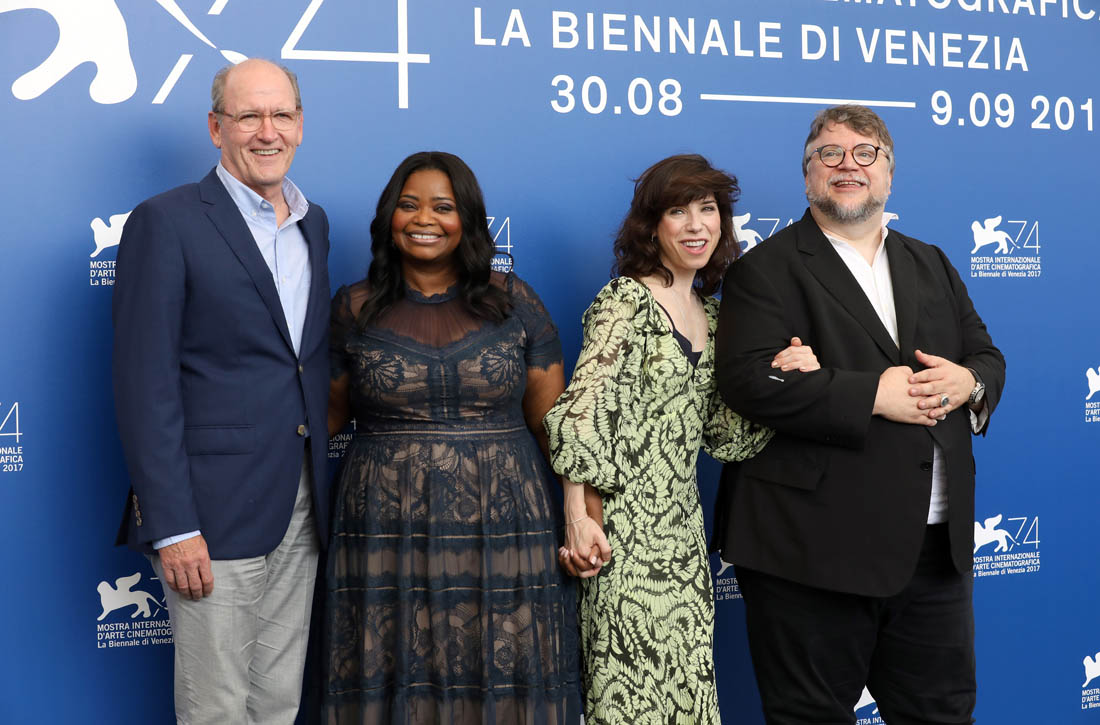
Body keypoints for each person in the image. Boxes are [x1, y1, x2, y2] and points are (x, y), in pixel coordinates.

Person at [714, 105, 1006, 724]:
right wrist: (873, 394)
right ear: (807, 177)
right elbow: (745, 383)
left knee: (942, 716)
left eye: (865, 152)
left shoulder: (932, 262)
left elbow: (985, 354)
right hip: (812, 551)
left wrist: (969, 381)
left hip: (934, 552)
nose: (848, 164)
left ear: (889, 175)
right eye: (830, 153)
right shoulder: (761, 270)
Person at [543, 154, 819, 724]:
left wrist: (781, 377)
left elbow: (725, 436)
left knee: (687, 702)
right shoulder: (626, 304)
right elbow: (581, 414)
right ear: (652, 227)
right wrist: (578, 516)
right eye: (677, 211)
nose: (696, 225)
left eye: (707, 209)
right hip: (621, 542)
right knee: (626, 704)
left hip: (685, 545)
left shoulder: (715, 318)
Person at [323, 151, 580, 723]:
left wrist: (581, 517)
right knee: (393, 675)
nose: (424, 219)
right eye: (409, 205)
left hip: (508, 523)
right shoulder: (352, 307)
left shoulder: (515, 301)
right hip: (383, 529)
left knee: (507, 675)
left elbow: (555, 428)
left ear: (468, 220)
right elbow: (322, 419)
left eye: (443, 206)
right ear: (389, 216)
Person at [112, 59, 330, 724]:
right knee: (216, 707)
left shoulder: (312, 223)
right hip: (210, 512)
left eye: (281, 115)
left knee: (278, 700)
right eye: (248, 116)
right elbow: (144, 383)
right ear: (216, 127)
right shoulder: (167, 221)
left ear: (300, 124)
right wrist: (173, 525)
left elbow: (298, 364)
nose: (267, 131)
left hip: (301, 503)